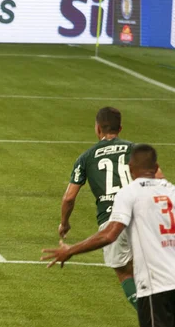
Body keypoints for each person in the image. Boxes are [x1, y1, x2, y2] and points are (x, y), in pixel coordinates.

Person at [42, 144, 175, 327]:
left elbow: (110, 234)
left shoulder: (130, 192)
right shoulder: (172, 191)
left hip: (155, 285)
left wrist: (70, 250)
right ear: (157, 167)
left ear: (131, 169)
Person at [59, 107, 161, 309]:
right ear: (120, 128)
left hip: (112, 221)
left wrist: (64, 223)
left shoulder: (86, 157)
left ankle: (153, 324)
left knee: (125, 272)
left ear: (97, 129)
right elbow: (160, 180)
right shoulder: (136, 150)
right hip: (144, 216)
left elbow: (69, 198)